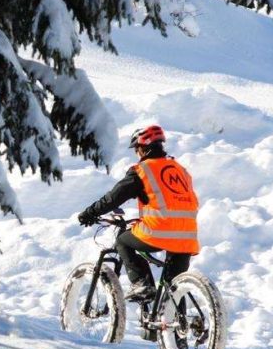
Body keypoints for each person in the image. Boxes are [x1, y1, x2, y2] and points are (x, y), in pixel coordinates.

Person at [77, 125, 200, 302]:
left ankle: (142, 283)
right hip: (188, 236)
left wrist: (89, 213)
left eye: (136, 149)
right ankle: (175, 325)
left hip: (159, 231)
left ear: (142, 148)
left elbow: (113, 198)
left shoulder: (143, 170)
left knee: (122, 241)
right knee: (173, 289)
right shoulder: (180, 170)